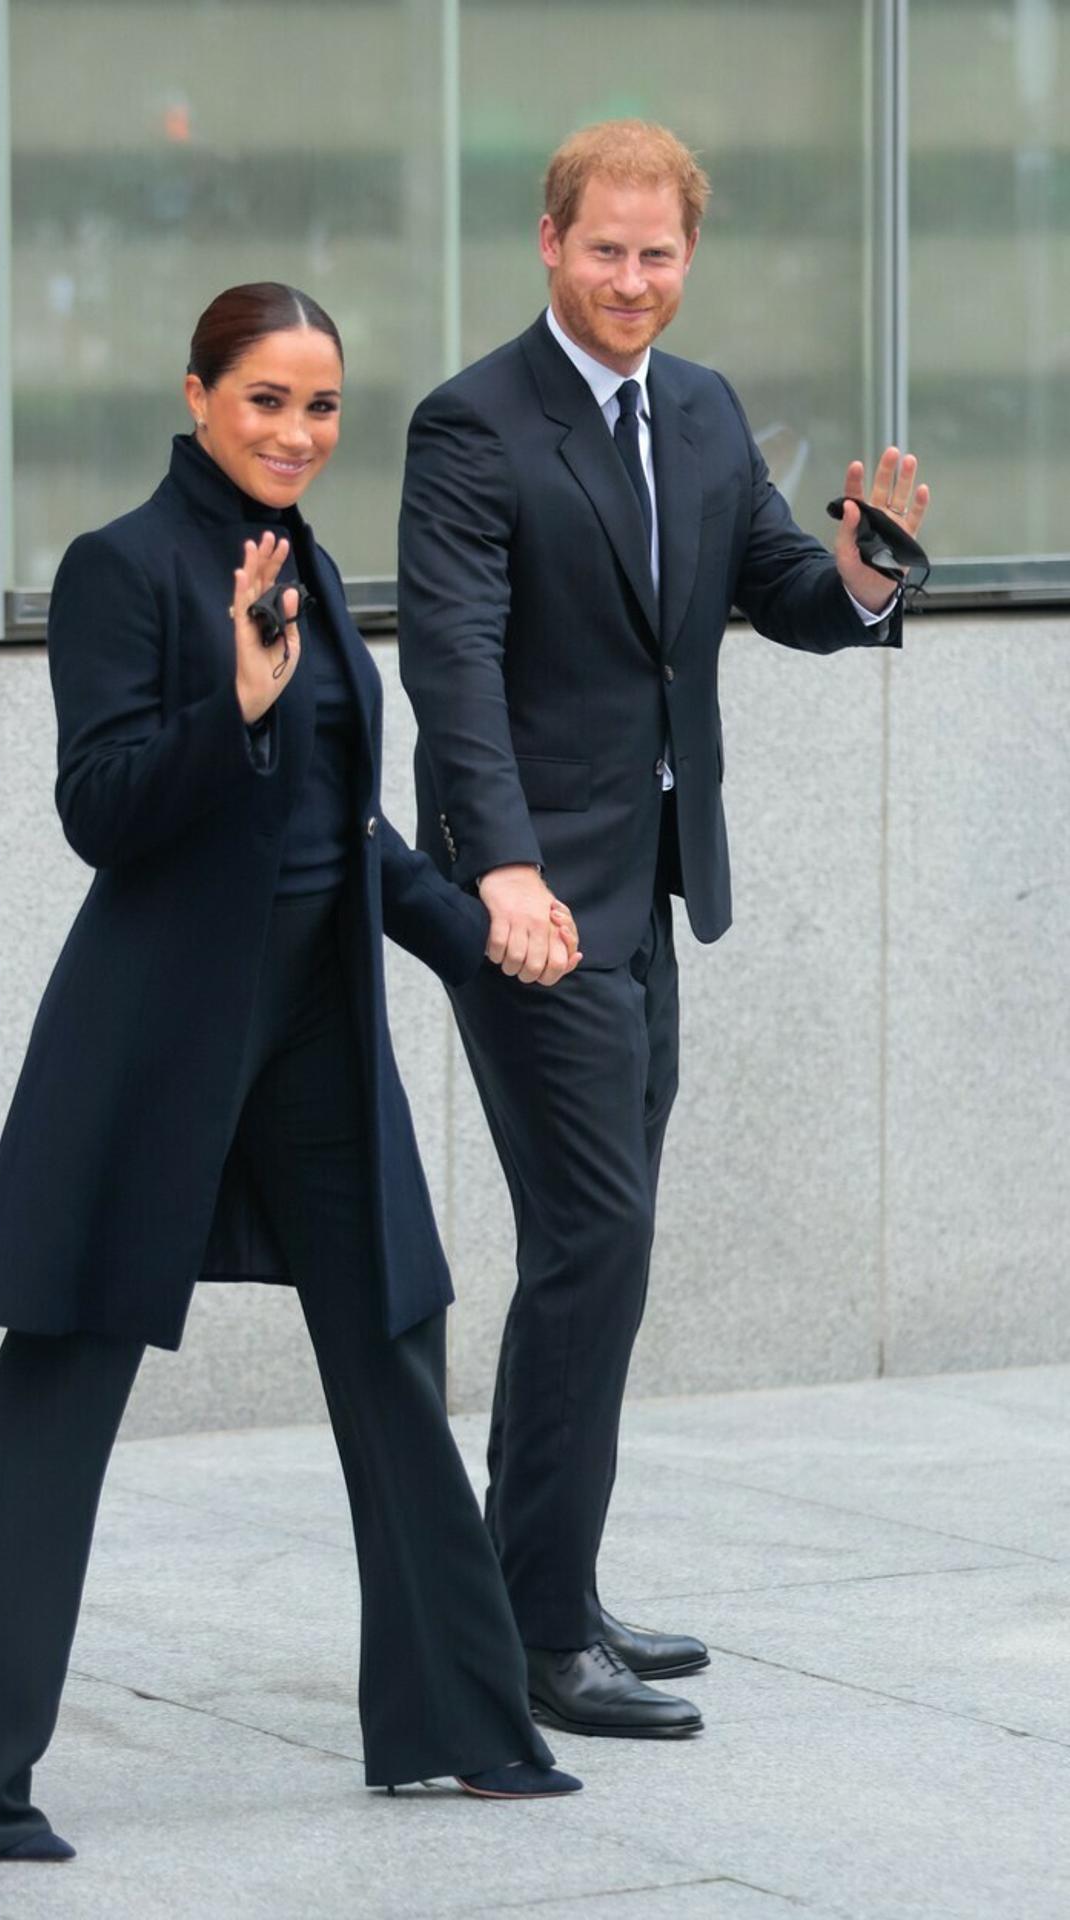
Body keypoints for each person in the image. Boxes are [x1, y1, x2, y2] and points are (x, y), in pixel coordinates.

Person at [0, 282, 585, 1863]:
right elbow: (105, 809)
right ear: (196, 394)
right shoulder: (120, 567)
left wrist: (480, 930)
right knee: (59, 1379)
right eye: (266, 399)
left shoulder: (314, 569)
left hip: (313, 1045)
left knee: (393, 1346)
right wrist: (235, 705)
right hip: (155, 1053)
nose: (296, 433)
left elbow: (335, 832)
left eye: (322, 406)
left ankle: (457, 1725)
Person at [396, 122, 930, 1743]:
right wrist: (496, 870)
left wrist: (864, 569)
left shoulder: (694, 411)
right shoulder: (470, 423)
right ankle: (535, 1630)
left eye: (658, 255)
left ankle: (541, 1577)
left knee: (600, 1251)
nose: (632, 281)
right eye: (605, 249)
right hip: (535, 909)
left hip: (651, 897)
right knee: (594, 1239)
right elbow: (452, 666)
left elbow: (780, 588)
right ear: (548, 241)